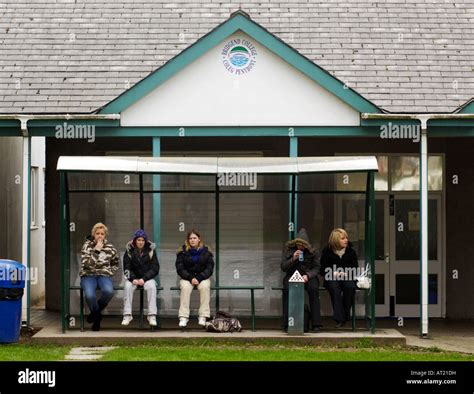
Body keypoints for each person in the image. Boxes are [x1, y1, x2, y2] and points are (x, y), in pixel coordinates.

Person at [281, 228, 322, 332]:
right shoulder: (289, 250)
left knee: (313, 290)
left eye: (302, 245)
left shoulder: (313, 252)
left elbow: (317, 268)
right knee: (287, 291)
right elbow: (283, 267)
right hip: (292, 275)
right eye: (298, 244)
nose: (300, 247)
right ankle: (287, 323)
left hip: (307, 276)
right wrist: (292, 259)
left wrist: (308, 275)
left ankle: (316, 324)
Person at [80, 222, 119, 331]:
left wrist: (111, 272)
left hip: (104, 275)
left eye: (102, 234)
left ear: (105, 235)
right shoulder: (87, 246)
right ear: (94, 234)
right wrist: (96, 250)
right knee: (89, 295)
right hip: (88, 275)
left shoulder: (110, 248)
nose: (100, 236)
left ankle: (94, 313)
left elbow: (116, 262)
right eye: (97, 233)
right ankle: (97, 318)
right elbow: (87, 264)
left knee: (108, 292)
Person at [175, 230, 214, 328]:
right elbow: (180, 268)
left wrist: (200, 277)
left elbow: (209, 268)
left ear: (199, 239)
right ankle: (183, 317)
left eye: (194, 238)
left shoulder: (206, 251)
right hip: (187, 277)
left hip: (202, 277)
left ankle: (203, 316)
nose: (192, 240)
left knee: (205, 286)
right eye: (190, 238)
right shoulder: (182, 251)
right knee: (185, 287)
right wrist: (190, 277)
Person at [320, 228, 358, 328]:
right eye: (342, 238)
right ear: (336, 240)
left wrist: (346, 273)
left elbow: (355, 268)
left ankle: (344, 315)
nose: (346, 240)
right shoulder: (327, 251)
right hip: (331, 277)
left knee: (350, 287)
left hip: (347, 276)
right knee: (334, 288)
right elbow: (322, 269)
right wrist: (333, 273)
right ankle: (340, 319)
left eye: (346, 238)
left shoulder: (351, 252)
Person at [122, 229, 160, 327]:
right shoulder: (129, 251)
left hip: (146, 279)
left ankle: (151, 315)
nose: (141, 242)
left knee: (152, 286)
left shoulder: (151, 250)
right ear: (135, 241)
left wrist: (144, 278)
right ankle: (127, 315)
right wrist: (133, 279)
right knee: (127, 286)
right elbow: (126, 269)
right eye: (138, 240)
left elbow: (155, 268)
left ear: (145, 241)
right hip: (133, 279)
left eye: (143, 240)